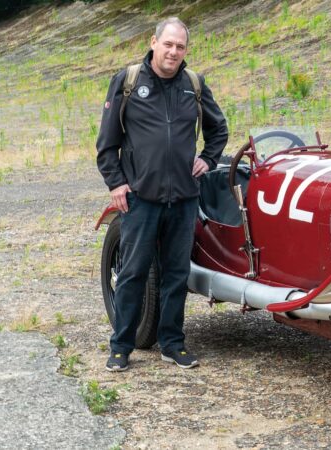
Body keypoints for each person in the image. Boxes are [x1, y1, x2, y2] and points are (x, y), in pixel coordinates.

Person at [96, 17, 228, 371]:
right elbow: (106, 144)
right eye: (168, 44)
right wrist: (116, 183)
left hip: (184, 199)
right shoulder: (128, 82)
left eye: (180, 46)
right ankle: (122, 346)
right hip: (140, 198)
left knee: (175, 275)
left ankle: (172, 342)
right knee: (133, 272)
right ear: (154, 42)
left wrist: (208, 159)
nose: (173, 51)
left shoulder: (194, 85)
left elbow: (219, 130)